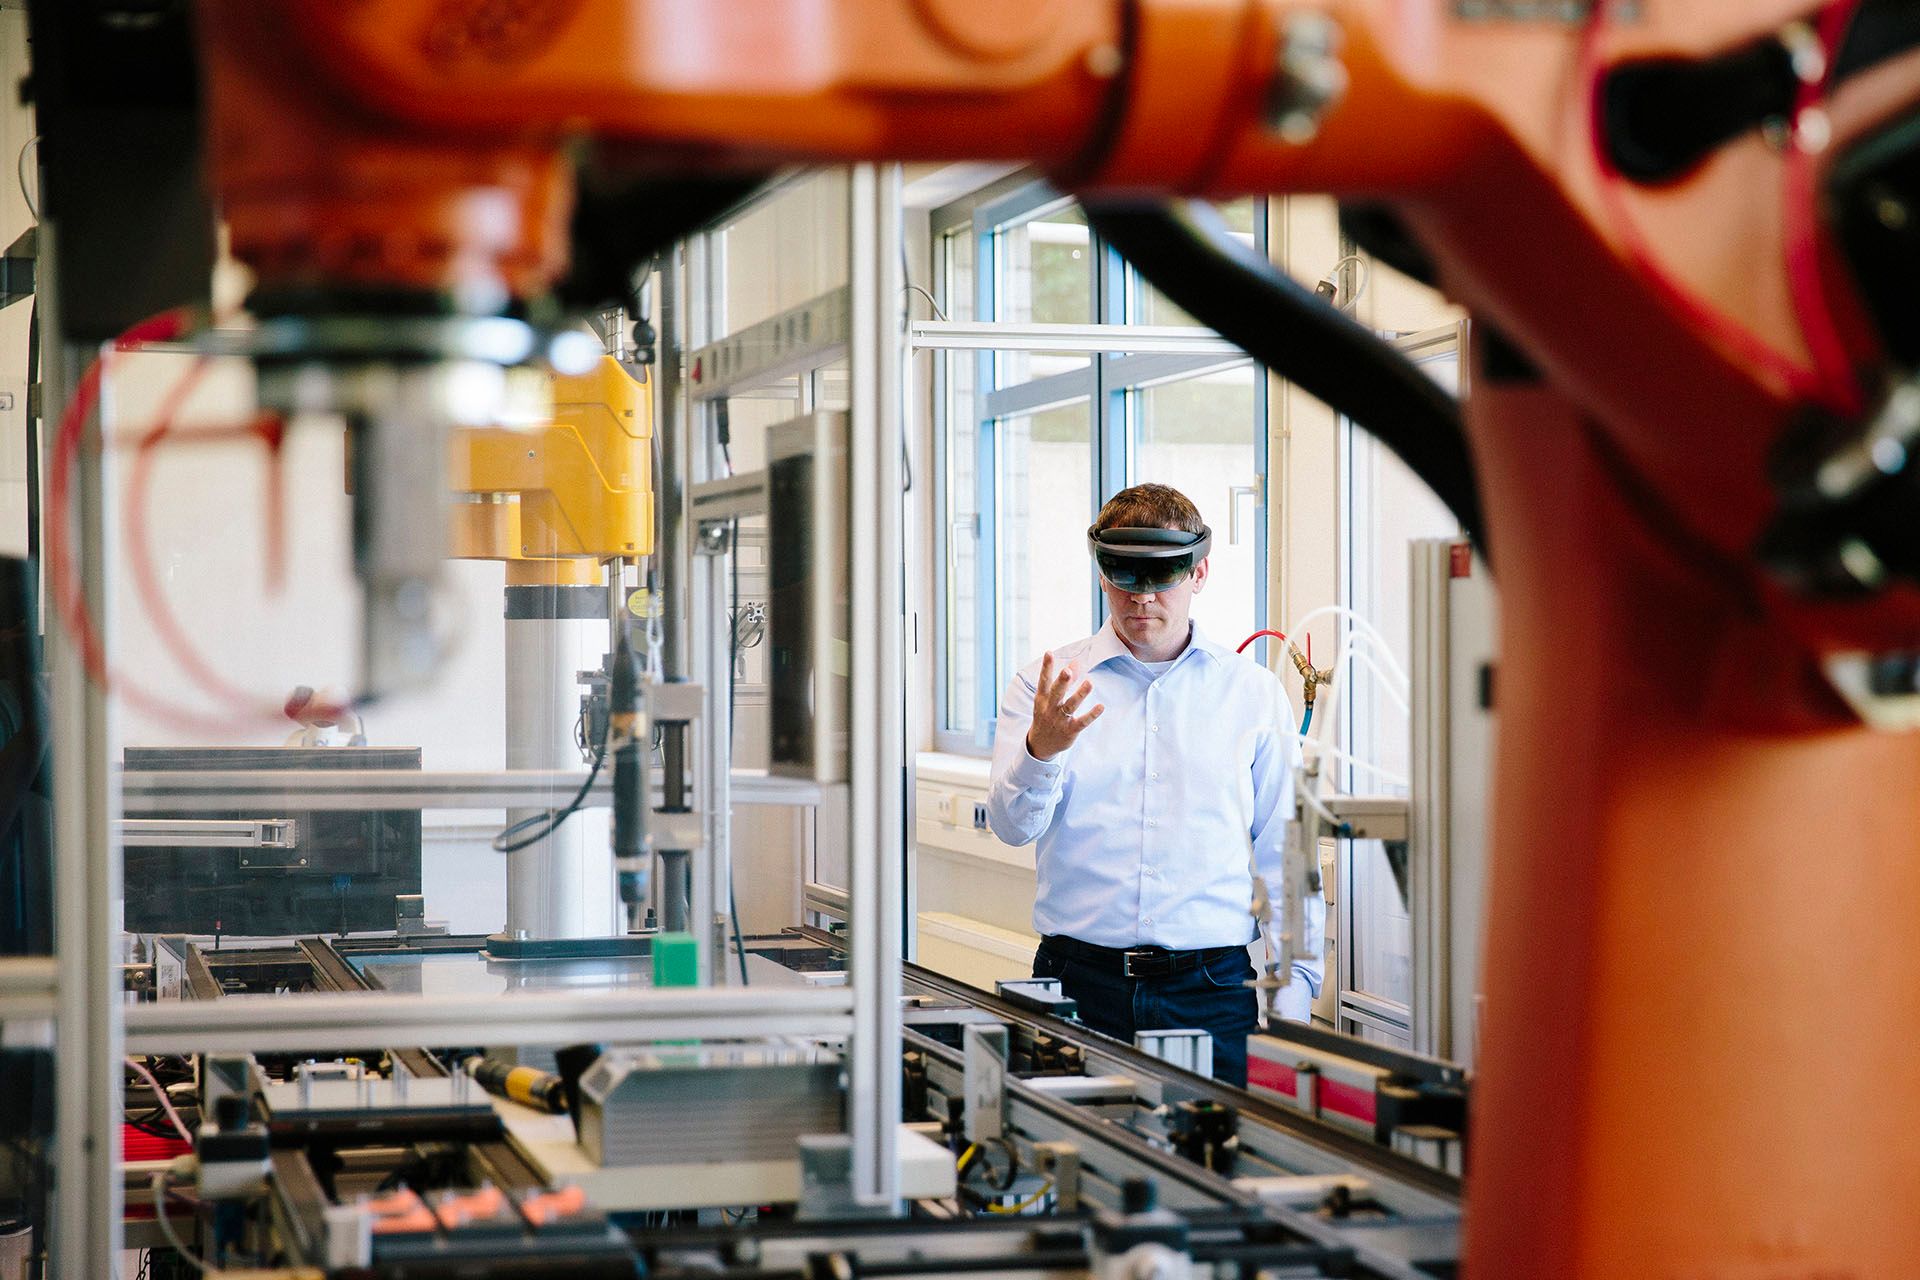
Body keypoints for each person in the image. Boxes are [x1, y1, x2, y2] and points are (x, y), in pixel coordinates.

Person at [986, 483, 1310, 1088]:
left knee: (1221, 1167)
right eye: (1123, 578)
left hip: (1213, 992)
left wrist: (1293, 1003)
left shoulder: (1251, 694)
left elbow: (1285, 856)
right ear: (1103, 575)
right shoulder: (1046, 685)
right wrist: (1043, 750)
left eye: (1161, 578)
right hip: (1077, 985)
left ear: (1200, 572)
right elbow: (1010, 828)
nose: (1142, 598)